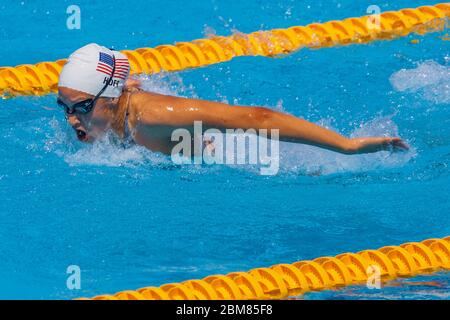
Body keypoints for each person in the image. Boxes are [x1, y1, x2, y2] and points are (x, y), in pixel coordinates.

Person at [57, 43, 409, 155]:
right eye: (66, 108)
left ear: (113, 96)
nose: (73, 119)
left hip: (250, 162)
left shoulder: (154, 117)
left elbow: (259, 119)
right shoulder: (109, 117)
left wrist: (348, 146)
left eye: (82, 107)